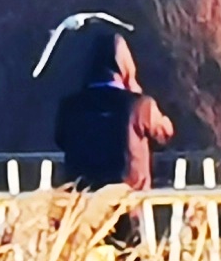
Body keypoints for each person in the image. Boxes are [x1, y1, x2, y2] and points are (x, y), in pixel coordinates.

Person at [53, 30, 175, 193]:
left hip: (82, 203)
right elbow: (163, 135)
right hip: (126, 202)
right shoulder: (140, 106)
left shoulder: (70, 106)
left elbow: (61, 140)